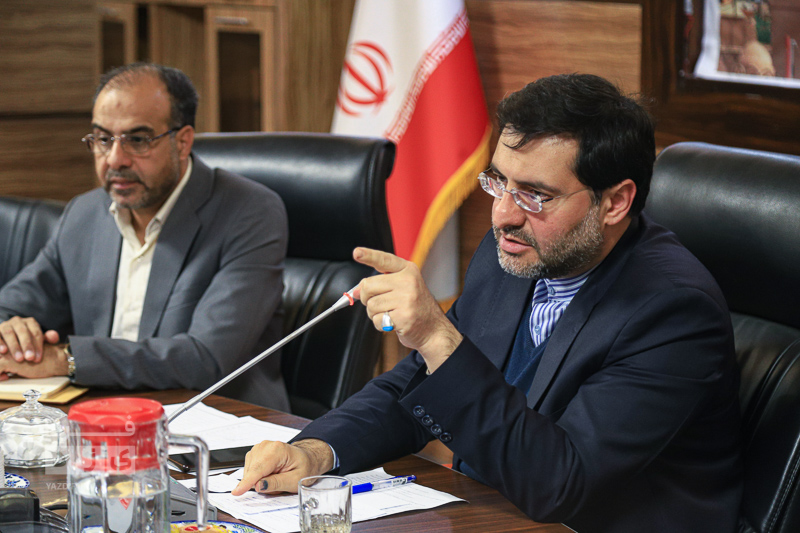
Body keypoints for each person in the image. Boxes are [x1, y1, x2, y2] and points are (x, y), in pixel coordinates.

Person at [232, 74, 743, 532]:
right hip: (490, 513)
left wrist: (438, 336)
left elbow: (561, 484)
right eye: (499, 183)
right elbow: (423, 386)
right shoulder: (518, 253)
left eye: (535, 195)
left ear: (615, 202)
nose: (502, 216)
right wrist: (317, 452)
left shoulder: (674, 313)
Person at [0, 63, 290, 410]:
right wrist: (12, 336)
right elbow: (10, 307)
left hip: (215, 424)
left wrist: (67, 359)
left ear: (182, 142)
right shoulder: (85, 213)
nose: (115, 159)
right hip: (100, 419)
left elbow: (205, 359)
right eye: (103, 139)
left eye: (137, 140)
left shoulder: (250, 213)